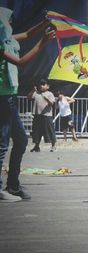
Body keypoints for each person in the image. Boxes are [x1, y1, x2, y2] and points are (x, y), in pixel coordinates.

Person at [0, 7, 55, 202]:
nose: (11, 23)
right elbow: (21, 61)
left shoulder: (9, 39)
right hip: (1, 97)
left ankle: (13, 185)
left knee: (21, 140)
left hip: (9, 96)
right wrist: (43, 42)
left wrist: (43, 24)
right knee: (3, 143)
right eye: (8, 20)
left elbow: (26, 34)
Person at [27, 79, 57, 152]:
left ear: (48, 86)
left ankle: (53, 145)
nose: (41, 86)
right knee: (37, 132)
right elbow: (29, 97)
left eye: (43, 84)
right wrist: (32, 90)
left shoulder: (50, 93)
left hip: (47, 116)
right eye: (40, 84)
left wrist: (47, 99)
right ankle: (36, 146)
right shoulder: (36, 93)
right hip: (37, 115)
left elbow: (51, 104)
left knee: (50, 131)